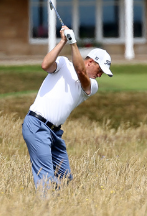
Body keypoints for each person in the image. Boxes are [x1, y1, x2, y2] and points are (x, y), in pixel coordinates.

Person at [22, 24, 112, 191]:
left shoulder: (92, 85)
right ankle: (46, 211)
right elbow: (45, 65)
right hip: (36, 125)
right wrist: (63, 41)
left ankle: (61, 210)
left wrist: (73, 43)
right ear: (91, 62)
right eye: (100, 70)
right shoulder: (63, 63)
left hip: (55, 133)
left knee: (65, 181)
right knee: (46, 178)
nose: (100, 75)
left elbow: (80, 71)